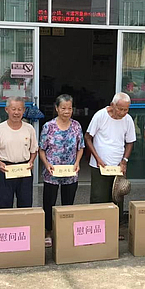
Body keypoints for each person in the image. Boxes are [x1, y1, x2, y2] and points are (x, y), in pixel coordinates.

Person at [39, 94, 84, 247]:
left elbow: (80, 147)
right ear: (57, 108)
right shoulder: (48, 126)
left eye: (69, 108)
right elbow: (41, 149)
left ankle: (65, 231)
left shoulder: (76, 126)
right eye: (63, 108)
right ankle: (48, 232)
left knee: (68, 203)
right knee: (49, 203)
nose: (66, 111)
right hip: (52, 172)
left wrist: (77, 163)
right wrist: (46, 164)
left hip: (70, 172)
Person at [85, 92, 136, 206]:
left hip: (118, 165)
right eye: (120, 109)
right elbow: (88, 137)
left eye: (126, 110)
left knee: (117, 197)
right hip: (100, 165)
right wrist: (97, 158)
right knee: (98, 197)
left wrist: (124, 161)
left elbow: (130, 142)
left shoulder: (128, 119)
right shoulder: (100, 116)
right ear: (112, 105)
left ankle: (116, 218)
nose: (122, 112)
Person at [0, 96, 38, 209]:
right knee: (4, 204)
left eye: (20, 109)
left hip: (24, 170)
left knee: (25, 204)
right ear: (7, 109)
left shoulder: (29, 129)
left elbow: (34, 150)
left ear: (24, 110)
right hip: (5, 169)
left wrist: (31, 161)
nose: (16, 112)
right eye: (13, 109)